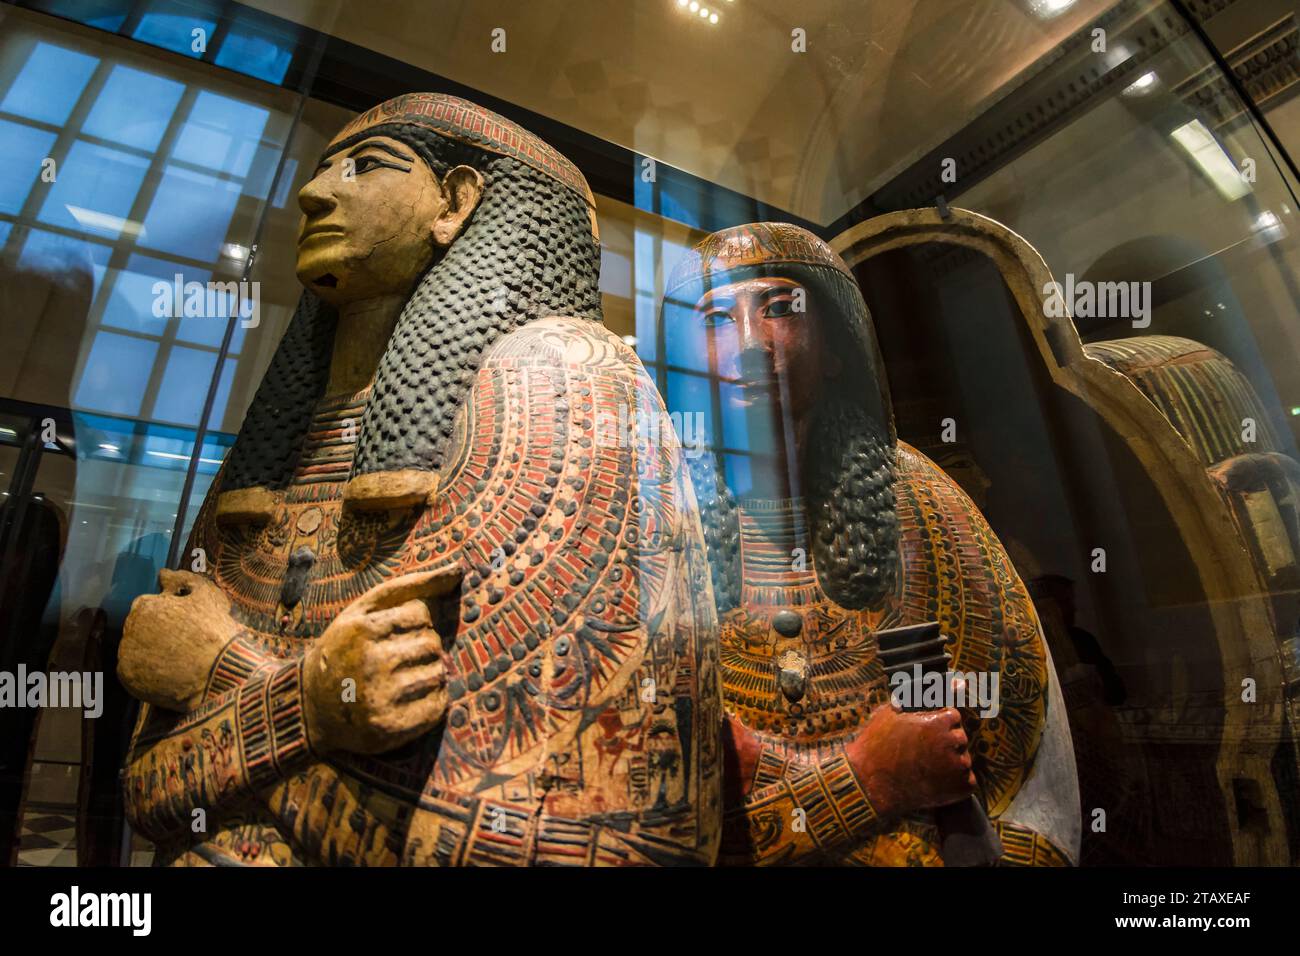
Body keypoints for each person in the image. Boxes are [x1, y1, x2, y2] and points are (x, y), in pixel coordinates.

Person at [117, 93, 721, 866]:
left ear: (457, 202)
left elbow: (558, 845)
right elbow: (149, 793)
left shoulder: (569, 388)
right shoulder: (277, 457)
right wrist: (315, 706)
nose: (314, 190)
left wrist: (237, 680)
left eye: (368, 166)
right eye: (326, 165)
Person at [662, 222, 1079, 865]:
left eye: (779, 309)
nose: (748, 345)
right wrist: (874, 773)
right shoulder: (656, 518)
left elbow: (1022, 787)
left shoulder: (921, 503)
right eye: (716, 319)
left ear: (836, 348)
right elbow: (662, 816)